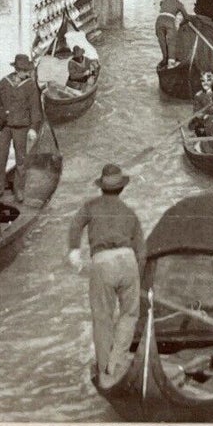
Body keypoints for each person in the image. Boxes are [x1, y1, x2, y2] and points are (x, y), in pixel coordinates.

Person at [69, 163, 146, 387]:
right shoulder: (130, 213)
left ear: (101, 188)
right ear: (121, 189)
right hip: (128, 260)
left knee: (102, 317)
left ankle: (105, 371)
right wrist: (136, 279)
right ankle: (117, 362)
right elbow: (141, 252)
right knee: (129, 315)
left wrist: (74, 251)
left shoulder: (91, 206)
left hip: (102, 263)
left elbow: (75, 224)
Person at [0, 54, 45, 204]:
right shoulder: (4, 83)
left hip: (22, 128)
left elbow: (35, 109)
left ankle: (19, 189)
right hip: (4, 128)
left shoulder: (31, 86)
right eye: (25, 71)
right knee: (0, 157)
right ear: (18, 70)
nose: (28, 73)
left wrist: (33, 128)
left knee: (21, 160)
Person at [154, 0, 184, 67]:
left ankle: (165, 59)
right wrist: (182, 23)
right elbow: (186, 17)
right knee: (172, 41)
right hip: (169, 21)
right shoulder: (179, 4)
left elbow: (161, 3)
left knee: (162, 41)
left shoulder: (164, 0)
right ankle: (171, 63)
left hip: (159, 20)